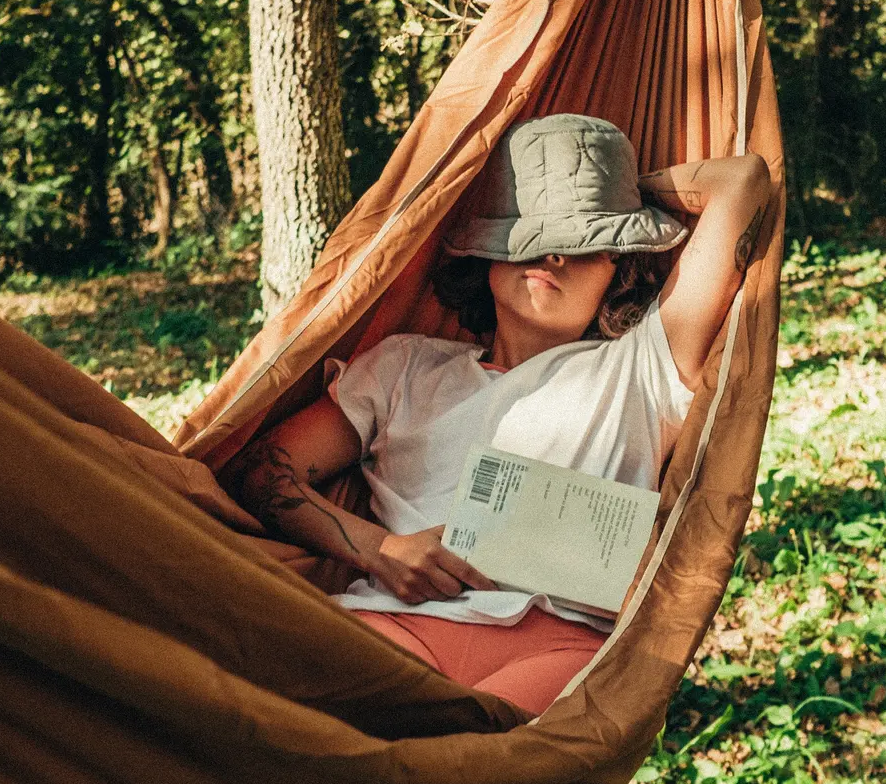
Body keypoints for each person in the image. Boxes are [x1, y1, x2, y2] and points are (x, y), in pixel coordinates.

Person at [227, 114, 771, 714]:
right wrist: (378, 549)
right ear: (487, 256)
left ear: (620, 268)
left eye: (585, 242)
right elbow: (263, 470)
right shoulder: (403, 367)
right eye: (530, 233)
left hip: (558, 646)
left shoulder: (641, 367)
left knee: (471, 757)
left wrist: (618, 191)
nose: (554, 256)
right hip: (395, 623)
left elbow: (742, 181)